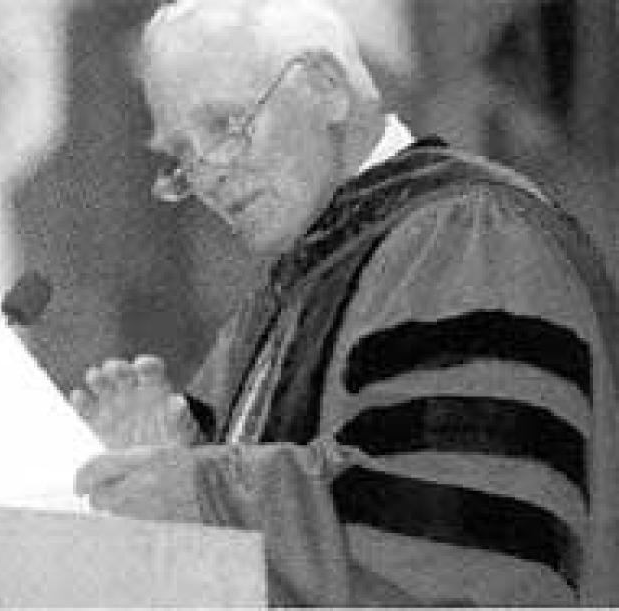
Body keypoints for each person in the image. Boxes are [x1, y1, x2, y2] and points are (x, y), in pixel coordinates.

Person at [70, 0, 619, 606]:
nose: (208, 173)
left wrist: (193, 489)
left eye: (226, 125)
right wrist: (164, 456)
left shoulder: (466, 233)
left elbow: (459, 534)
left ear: (327, 89)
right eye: (181, 156)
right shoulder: (279, 303)